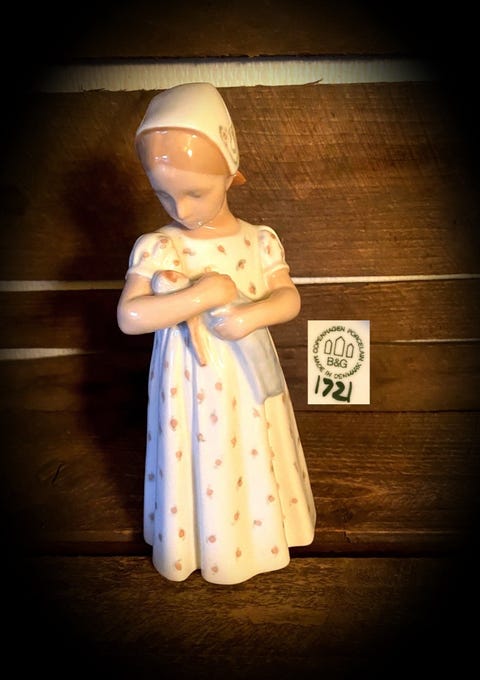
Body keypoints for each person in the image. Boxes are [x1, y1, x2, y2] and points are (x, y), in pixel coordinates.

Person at [117, 82, 316, 584]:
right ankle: (192, 540)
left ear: (230, 172)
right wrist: (202, 295)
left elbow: (288, 298)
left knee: (252, 450)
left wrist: (249, 316)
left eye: (195, 193)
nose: (180, 210)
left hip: (246, 380)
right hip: (187, 390)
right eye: (164, 194)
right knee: (197, 458)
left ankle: (261, 534)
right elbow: (130, 316)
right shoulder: (159, 247)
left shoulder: (258, 240)